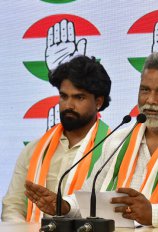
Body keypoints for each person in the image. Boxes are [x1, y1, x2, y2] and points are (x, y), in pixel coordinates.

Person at [24, 52, 158, 227]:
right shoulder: (119, 139)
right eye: (145, 90)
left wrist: (154, 214)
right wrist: (65, 206)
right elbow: (92, 197)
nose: (150, 101)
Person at [2, 55, 112, 222]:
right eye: (64, 96)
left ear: (98, 102)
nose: (68, 105)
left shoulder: (114, 148)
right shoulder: (34, 149)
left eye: (79, 97)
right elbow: (13, 206)